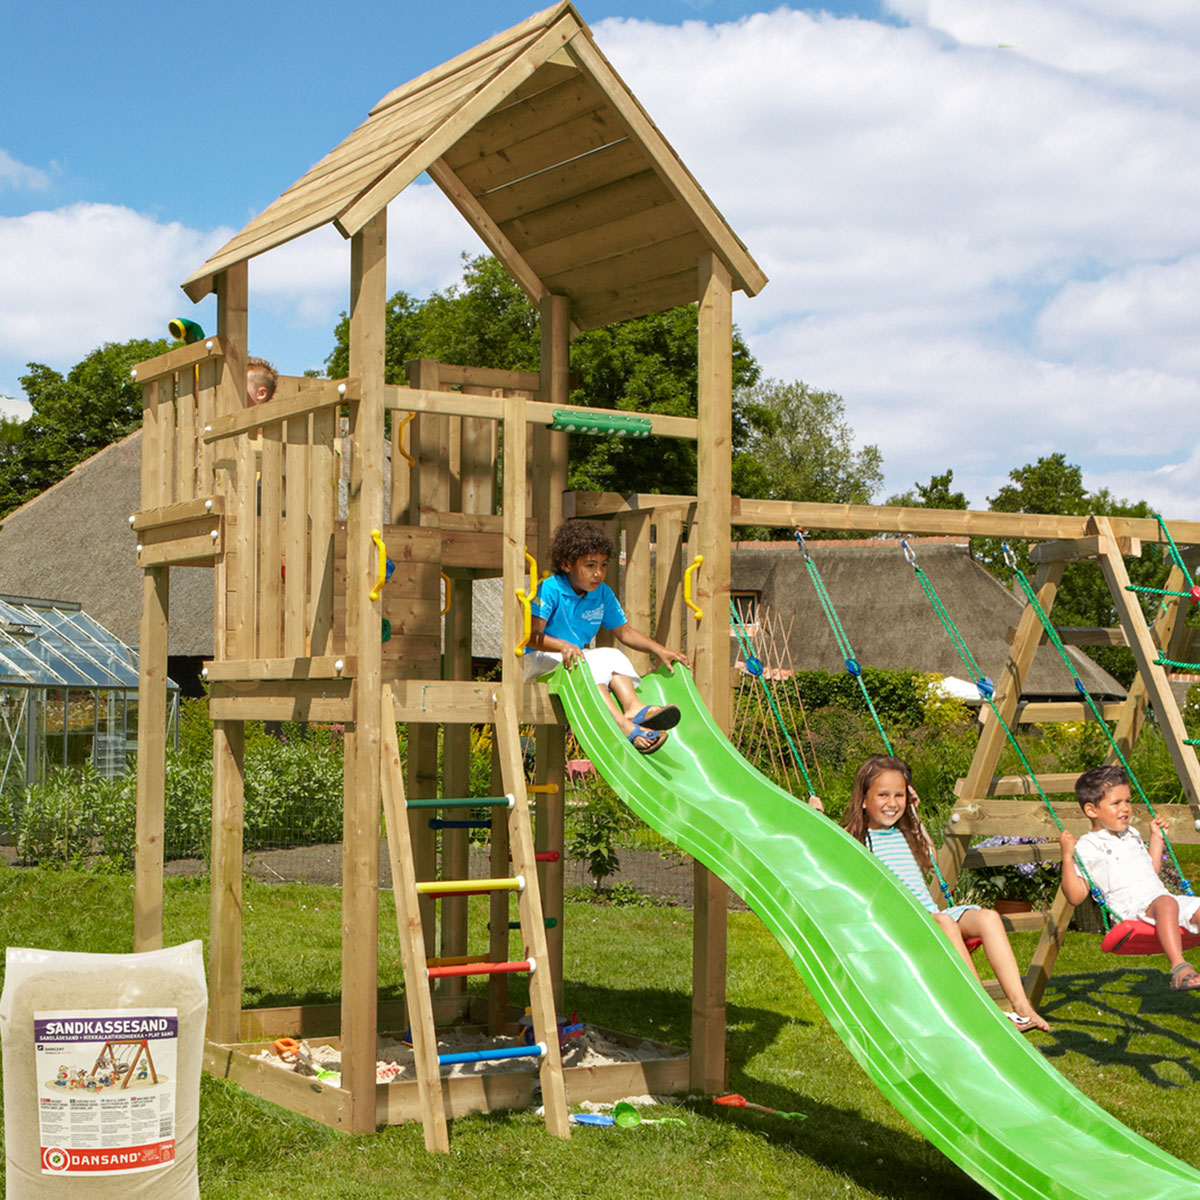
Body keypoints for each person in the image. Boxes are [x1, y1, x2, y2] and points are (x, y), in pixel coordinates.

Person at [809, 754, 1050, 1031]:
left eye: (899, 795)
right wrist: (817, 820)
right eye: (883, 795)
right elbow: (826, 857)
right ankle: (982, 1007)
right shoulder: (855, 837)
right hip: (898, 923)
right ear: (863, 800)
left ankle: (1021, 1005)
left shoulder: (906, 833)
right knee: (944, 922)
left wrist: (914, 815)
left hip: (931, 914)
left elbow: (930, 860)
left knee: (989, 917)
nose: (892, 803)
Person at [524, 520, 689, 754]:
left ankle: (633, 707)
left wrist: (658, 650)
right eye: (590, 565)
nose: (598, 573)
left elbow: (625, 632)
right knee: (586, 666)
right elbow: (531, 636)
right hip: (540, 662)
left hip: (573, 660)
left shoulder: (601, 593)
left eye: (602, 565)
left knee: (612, 654)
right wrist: (562, 645)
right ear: (566, 564)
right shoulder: (549, 588)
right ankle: (622, 725)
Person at [1060, 764, 1200, 990]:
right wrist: (1067, 857)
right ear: (1091, 810)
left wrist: (1156, 838)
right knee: (1165, 903)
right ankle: (1179, 967)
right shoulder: (1087, 846)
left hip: (1162, 901)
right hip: (1131, 911)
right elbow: (1075, 896)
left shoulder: (1131, 834)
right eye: (1116, 803)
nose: (1125, 808)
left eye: (1127, 801)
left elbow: (1151, 873)